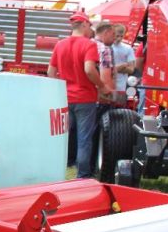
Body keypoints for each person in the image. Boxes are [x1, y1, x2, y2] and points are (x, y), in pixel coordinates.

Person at [47, 11, 112, 178]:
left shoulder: (60, 45)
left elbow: (50, 72)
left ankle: (58, 169)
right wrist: (102, 86)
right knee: (84, 139)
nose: (90, 30)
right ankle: (82, 175)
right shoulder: (89, 45)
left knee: (64, 137)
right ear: (84, 25)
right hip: (85, 98)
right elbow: (89, 69)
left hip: (65, 98)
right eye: (89, 26)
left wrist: (58, 92)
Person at [111, 23, 136, 104]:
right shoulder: (106, 47)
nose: (119, 39)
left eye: (121, 36)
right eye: (117, 36)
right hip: (108, 86)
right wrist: (123, 66)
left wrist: (114, 69)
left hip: (121, 87)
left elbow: (131, 69)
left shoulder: (128, 48)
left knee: (119, 112)